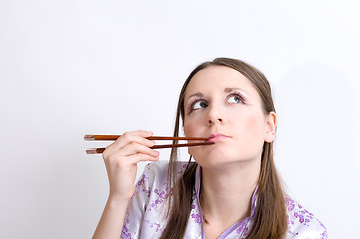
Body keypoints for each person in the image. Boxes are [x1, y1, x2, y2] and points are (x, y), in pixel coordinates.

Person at [92, 58, 327, 239]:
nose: (213, 115)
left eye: (236, 99)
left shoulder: (303, 232)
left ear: (269, 126)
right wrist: (118, 197)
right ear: (186, 132)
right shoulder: (156, 183)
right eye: (199, 104)